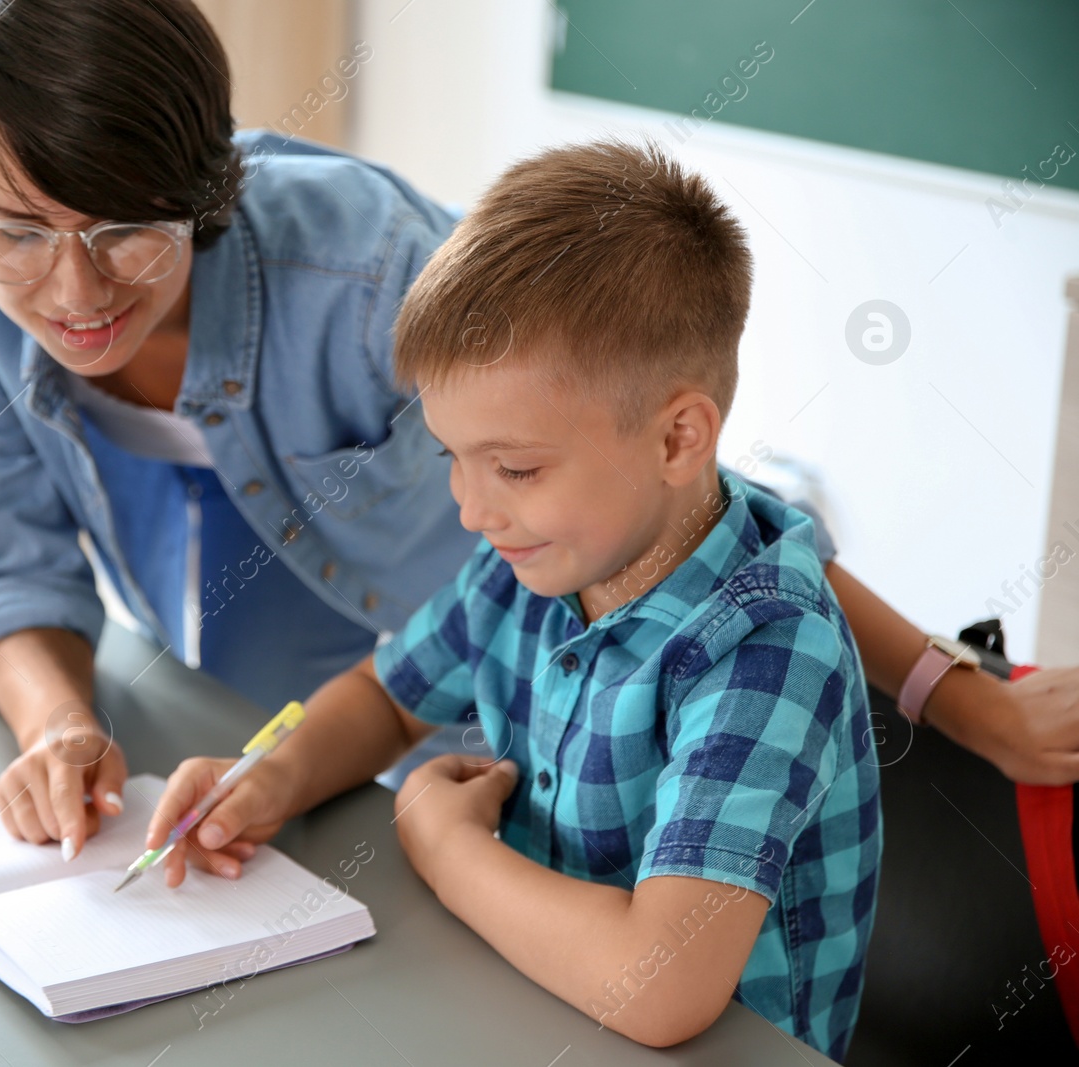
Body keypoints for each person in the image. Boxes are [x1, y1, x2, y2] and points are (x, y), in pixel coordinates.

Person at [0, 0, 1079, 866]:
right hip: (338, 728)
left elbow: (708, 522)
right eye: (9, 232)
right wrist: (63, 724)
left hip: (523, 760)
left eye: (122, 229)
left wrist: (969, 701)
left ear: (202, 187)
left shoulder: (368, 269)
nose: (72, 291)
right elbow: (16, 555)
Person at [146, 140, 880, 1058]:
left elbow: (661, 987)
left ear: (679, 439)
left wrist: (445, 845)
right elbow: (385, 696)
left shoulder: (766, 647)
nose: (469, 505)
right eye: (453, 456)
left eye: (517, 468)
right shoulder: (534, 561)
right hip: (533, 1001)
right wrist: (273, 776)